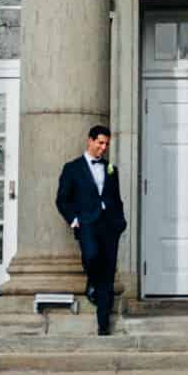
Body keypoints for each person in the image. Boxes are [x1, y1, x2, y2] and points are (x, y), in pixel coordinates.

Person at [55, 125, 126, 336]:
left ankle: (103, 325)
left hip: (109, 226)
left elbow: (116, 198)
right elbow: (62, 199)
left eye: (106, 144)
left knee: (108, 275)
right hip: (86, 223)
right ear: (90, 141)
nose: (103, 148)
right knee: (91, 256)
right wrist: (73, 219)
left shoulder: (111, 169)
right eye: (100, 143)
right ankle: (91, 282)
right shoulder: (72, 168)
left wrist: (121, 222)